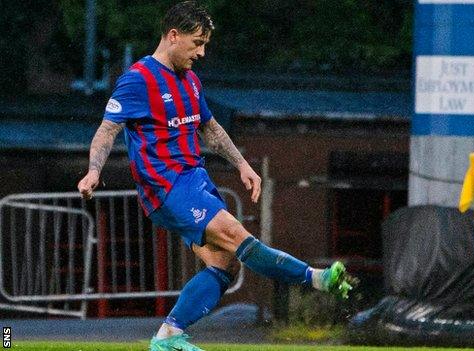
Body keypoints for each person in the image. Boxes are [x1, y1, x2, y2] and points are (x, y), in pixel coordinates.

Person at [76, 2, 352, 350]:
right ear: (173, 36)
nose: (202, 52)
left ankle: (169, 336)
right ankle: (315, 278)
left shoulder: (190, 80)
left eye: (205, 44)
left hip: (195, 179)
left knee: (225, 265)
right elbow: (106, 130)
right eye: (197, 43)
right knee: (236, 235)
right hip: (167, 184)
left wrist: (242, 165)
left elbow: (209, 127)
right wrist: (93, 171)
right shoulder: (137, 80)